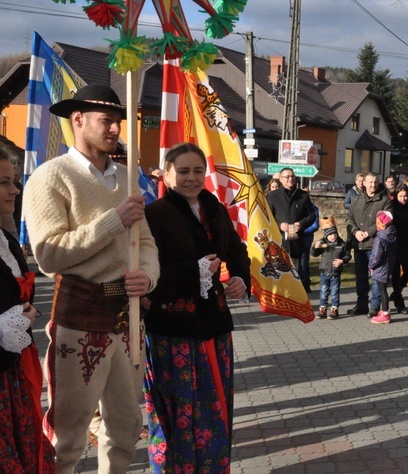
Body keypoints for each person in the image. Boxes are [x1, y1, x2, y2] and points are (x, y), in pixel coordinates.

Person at [23, 84, 160, 473]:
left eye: (118, 122)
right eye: (107, 121)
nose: (115, 129)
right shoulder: (50, 178)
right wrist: (115, 220)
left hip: (127, 313)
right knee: (68, 436)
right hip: (79, 315)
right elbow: (48, 254)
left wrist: (147, 277)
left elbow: (146, 242)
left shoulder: (127, 177)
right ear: (77, 120)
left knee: (126, 427)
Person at [142, 143, 250, 471]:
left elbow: (237, 250)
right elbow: (150, 277)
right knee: (178, 413)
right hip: (173, 332)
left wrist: (240, 279)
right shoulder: (154, 214)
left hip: (214, 327)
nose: (192, 178)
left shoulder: (214, 208)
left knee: (214, 409)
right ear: (166, 173)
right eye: (184, 171)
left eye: (198, 171)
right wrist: (198, 270)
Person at [0, 146, 55, 473]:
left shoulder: (5, 240)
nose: (15, 191)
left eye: (14, 181)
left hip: (15, 372)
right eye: (4, 183)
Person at [345, 172, 393, 316]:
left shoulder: (385, 200)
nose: (373, 185)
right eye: (370, 182)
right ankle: (361, 305)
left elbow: (386, 220)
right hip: (359, 245)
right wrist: (355, 232)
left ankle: (375, 306)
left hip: (376, 245)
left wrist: (368, 232)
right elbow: (349, 218)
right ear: (363, 183)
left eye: (375, 182)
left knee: (376, 278)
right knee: (360, 277)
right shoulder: (355, 199)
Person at [266, 167, 316, 278]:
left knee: (295, 274)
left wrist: (300, 224)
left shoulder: (303, 195)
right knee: (279, 274)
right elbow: (267, 216)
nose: (290, 179)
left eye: (292, 176)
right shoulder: (273, 196)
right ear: (281, 179)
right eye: (287, 177)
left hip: (296, 241)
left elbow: (311, 215)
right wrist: (279, 225)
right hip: (278, 241)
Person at [310, 216, 351, 320]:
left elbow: (347, 255)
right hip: (324, 272)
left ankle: (334, 309)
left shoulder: (342, 244)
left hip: (335, 273)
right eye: (330, 234)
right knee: (323, 291)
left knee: (334, 291)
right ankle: (322, 308)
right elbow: (314, 254)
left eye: (334, 233)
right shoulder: (322, 243)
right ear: (325, 235)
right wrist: (315, 247)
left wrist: (343, 261)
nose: (333, 236)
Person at [390, 183, 408, 313]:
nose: (403, 199)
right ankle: (399, 303)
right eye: (401, 196)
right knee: (396, 274)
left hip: (406, 243)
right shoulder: (392, 208)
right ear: (396, 196)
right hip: (394, 242)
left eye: (405, 196)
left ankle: (396, 293)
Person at [368, 210, 397, 324]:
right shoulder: (391, 234)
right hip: (388, 265)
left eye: (377, 223)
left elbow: (376, 254)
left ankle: (385, 313)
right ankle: (384, 311)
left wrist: (371, 265)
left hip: (380, 267)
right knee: (383, 289)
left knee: (382, 290)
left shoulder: (380, 237)